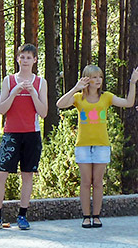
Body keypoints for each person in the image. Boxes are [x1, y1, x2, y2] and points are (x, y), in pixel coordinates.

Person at [56, 65, 138, 228]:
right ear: (87, 79)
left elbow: (128, 103)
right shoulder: (79, 98)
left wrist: (133, 82)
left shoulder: (106, 97)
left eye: (100, 77)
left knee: (98, 182)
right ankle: (86, 216)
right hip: (83, 146)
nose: (98, 80)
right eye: (94, 77)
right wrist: (75, 88)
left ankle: (97, 216)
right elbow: (60, 104)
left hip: (101, 146)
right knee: (86, 182)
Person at [0, 44, 48, 230]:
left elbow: (44, 112)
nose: (25, 61)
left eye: (29, 57)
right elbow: (1, 109)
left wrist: (32, 92)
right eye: (22, 57)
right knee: (1, 175)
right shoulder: (8, 80)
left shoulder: (41, 82)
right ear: (17, 59)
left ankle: (22, 215)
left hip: (32, 134)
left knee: (27, 175)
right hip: (11, 133)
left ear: (35, 60)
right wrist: (15, 91)